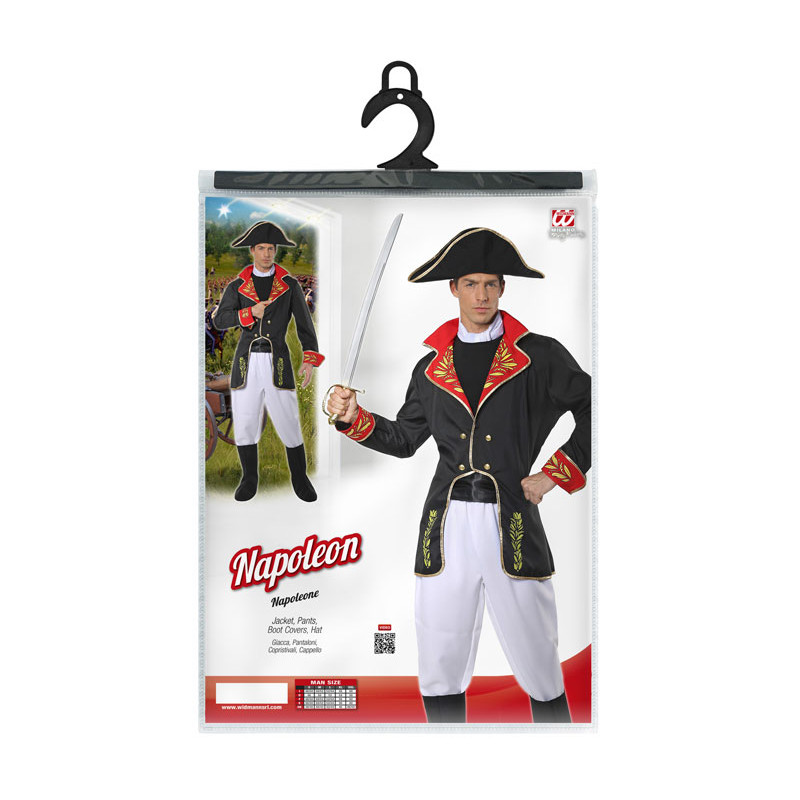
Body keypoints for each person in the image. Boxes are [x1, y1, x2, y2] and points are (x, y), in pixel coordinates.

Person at [327, 228, 590, 723]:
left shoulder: (539, 356)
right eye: (470, 283)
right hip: (444, 527)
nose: (481, 295)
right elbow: (404, 439)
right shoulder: (430, 367)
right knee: (439, 652)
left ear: (503, 288)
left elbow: (596, 405)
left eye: (490, 283)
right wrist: (352, 418)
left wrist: (554, 473)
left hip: (512, 519)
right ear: (453, 288)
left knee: (537, 652)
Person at [213, 221, 324, 502]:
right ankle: (249, 478)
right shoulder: (237, 286)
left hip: (278, 362)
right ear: (252, 250)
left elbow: (304, 324)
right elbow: (220, 320)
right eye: (261, 248)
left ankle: (300, 478)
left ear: (275, 251)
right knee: (246, 420)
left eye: (271, 249)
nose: (266, 254)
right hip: (246, 363)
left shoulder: (290, 285)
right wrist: (249, 313)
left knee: (288, 419)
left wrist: (309, 358)